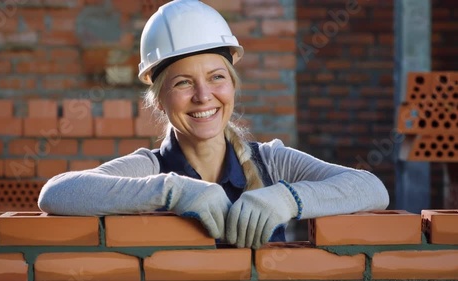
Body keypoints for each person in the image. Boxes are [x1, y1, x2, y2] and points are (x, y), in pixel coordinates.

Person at [38, 0, 389, 249]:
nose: (204, 96)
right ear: (160, 99)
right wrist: (175, 191)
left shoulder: (272, 162)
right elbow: (56, 193)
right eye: (183, 83)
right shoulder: (150, 168)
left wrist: (288, 198)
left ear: (233, 85)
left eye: (216, 77)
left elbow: (372, 189)